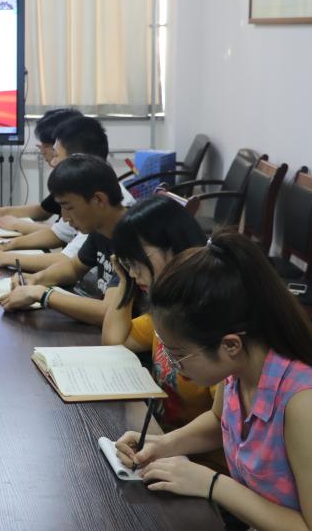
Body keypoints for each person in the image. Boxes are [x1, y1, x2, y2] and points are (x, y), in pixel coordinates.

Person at [115, 231, 312, 531]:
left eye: (178, 355)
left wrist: (213, 484)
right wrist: (162, 444)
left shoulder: (308, 406)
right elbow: (219, 421)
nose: (174, 366)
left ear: (230, 345)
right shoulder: (240, 367)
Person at [101, 196, 223, 469]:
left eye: (137, 261)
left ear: (174, 246)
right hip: (167, 445)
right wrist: (125, 281)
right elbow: (115, 342)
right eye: (128, 264)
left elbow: (222, 421)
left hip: (204, 463)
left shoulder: (207, 316)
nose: (134, 272)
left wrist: (164, 446)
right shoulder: (168, 310)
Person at [0, 115, 134, 273]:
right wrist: (6, 244)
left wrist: (5, 257)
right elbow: (57, 234)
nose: (52, 162)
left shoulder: (101, 207)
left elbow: (68, 261)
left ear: (78, 160)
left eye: (56, 155)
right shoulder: (82, 196)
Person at [0, 154, 127, 325]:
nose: (64, 217)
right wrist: (35, 279)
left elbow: (107, 313)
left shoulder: (134, 237)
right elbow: (73, 268)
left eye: (69, 207)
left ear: (99, 200)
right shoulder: (100, 229)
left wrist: (42, 294)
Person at [0, 108, 82, 234]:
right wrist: (2, 212)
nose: (42, 151)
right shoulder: (66, 178)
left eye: (46, 145)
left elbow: (66, 234)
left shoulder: (81, 180)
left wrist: (16, 224)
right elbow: (43, 211)